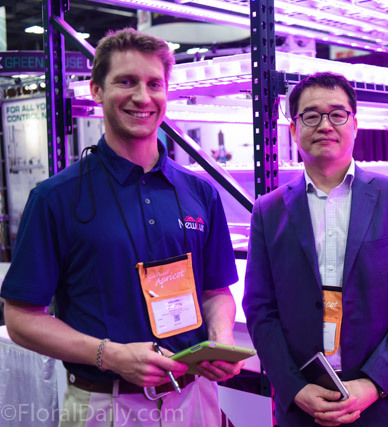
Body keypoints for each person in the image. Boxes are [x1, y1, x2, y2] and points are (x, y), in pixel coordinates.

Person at [1, 28, 243, 426]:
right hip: (106, 404)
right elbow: (21, 318)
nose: (142, 97)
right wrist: (109, 354)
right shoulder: (55, 198)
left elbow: (216, 292)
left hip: (194, 399)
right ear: (96, 90)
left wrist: (221, 338)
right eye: (126, 82)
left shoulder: (200, 192)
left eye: (154, 84)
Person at [243, 72, 388, 426]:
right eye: (311, 116)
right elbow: (259, 308)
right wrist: (293, 387)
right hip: (305, 405)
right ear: (293, 129)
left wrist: (375, 381)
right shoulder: (269, 211)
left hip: (384, 402)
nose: (325, 125)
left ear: (355, 125)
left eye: (337, 114)